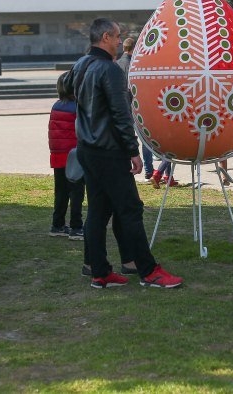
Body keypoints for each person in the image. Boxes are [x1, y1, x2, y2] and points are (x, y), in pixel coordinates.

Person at [66, 18, 183, 289]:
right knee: (130, 209)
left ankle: (99, 272)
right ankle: (149, 271)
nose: (120, 41)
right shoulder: (110, 70)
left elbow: (77, 98)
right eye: (117, 36)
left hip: (87, 149)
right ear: (105, 37)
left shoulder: (81, 64)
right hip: (109, 151)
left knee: (98, 211)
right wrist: (133, 150)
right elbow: (121, 114)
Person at [48, 72, 85, 240]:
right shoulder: (77, 107)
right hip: (74, 156)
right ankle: (76, 227)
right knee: (76, 193)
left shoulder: (56, 106)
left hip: (57, 155)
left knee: (61, 192)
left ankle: (57, 225)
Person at [117, 36, 154, 180]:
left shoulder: (117, 64)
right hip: (135, 106)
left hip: (122, 107)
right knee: (144, 139)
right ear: (134, 49)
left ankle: (127, 167)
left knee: (126, 137)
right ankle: (148, 170)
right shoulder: (134, 65)